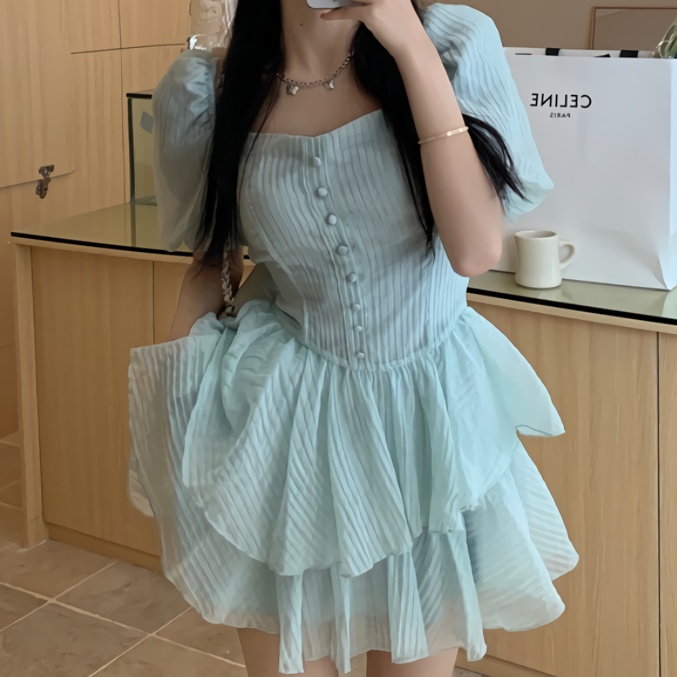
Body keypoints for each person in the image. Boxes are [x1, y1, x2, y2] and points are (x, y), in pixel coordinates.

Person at [127, 1, 579, 675]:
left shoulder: (451, 46)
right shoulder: (209, 92)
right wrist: (177, 406)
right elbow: (211, 261)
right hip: (287, 429)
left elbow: (475, 248)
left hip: (425, 431)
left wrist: (408, 43)